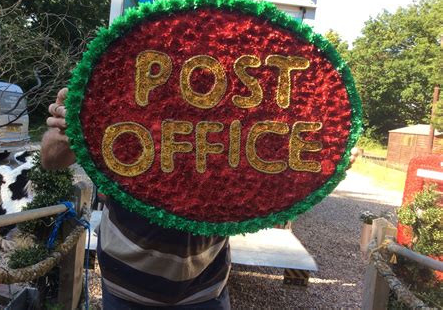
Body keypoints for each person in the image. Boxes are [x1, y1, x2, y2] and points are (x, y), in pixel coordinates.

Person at [42, 88, 359, 309]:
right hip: (126, 288)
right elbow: (51, 159)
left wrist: (326, 161)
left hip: (204, 288)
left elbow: (279, 191)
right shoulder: (120, 101)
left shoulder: (232, 118)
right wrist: (66, 130)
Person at [41, 88, 232, 309]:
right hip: (125, 284)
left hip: (206, 283)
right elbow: (50, 159)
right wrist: (70, 128)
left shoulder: (223, 83)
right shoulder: (114, 79)